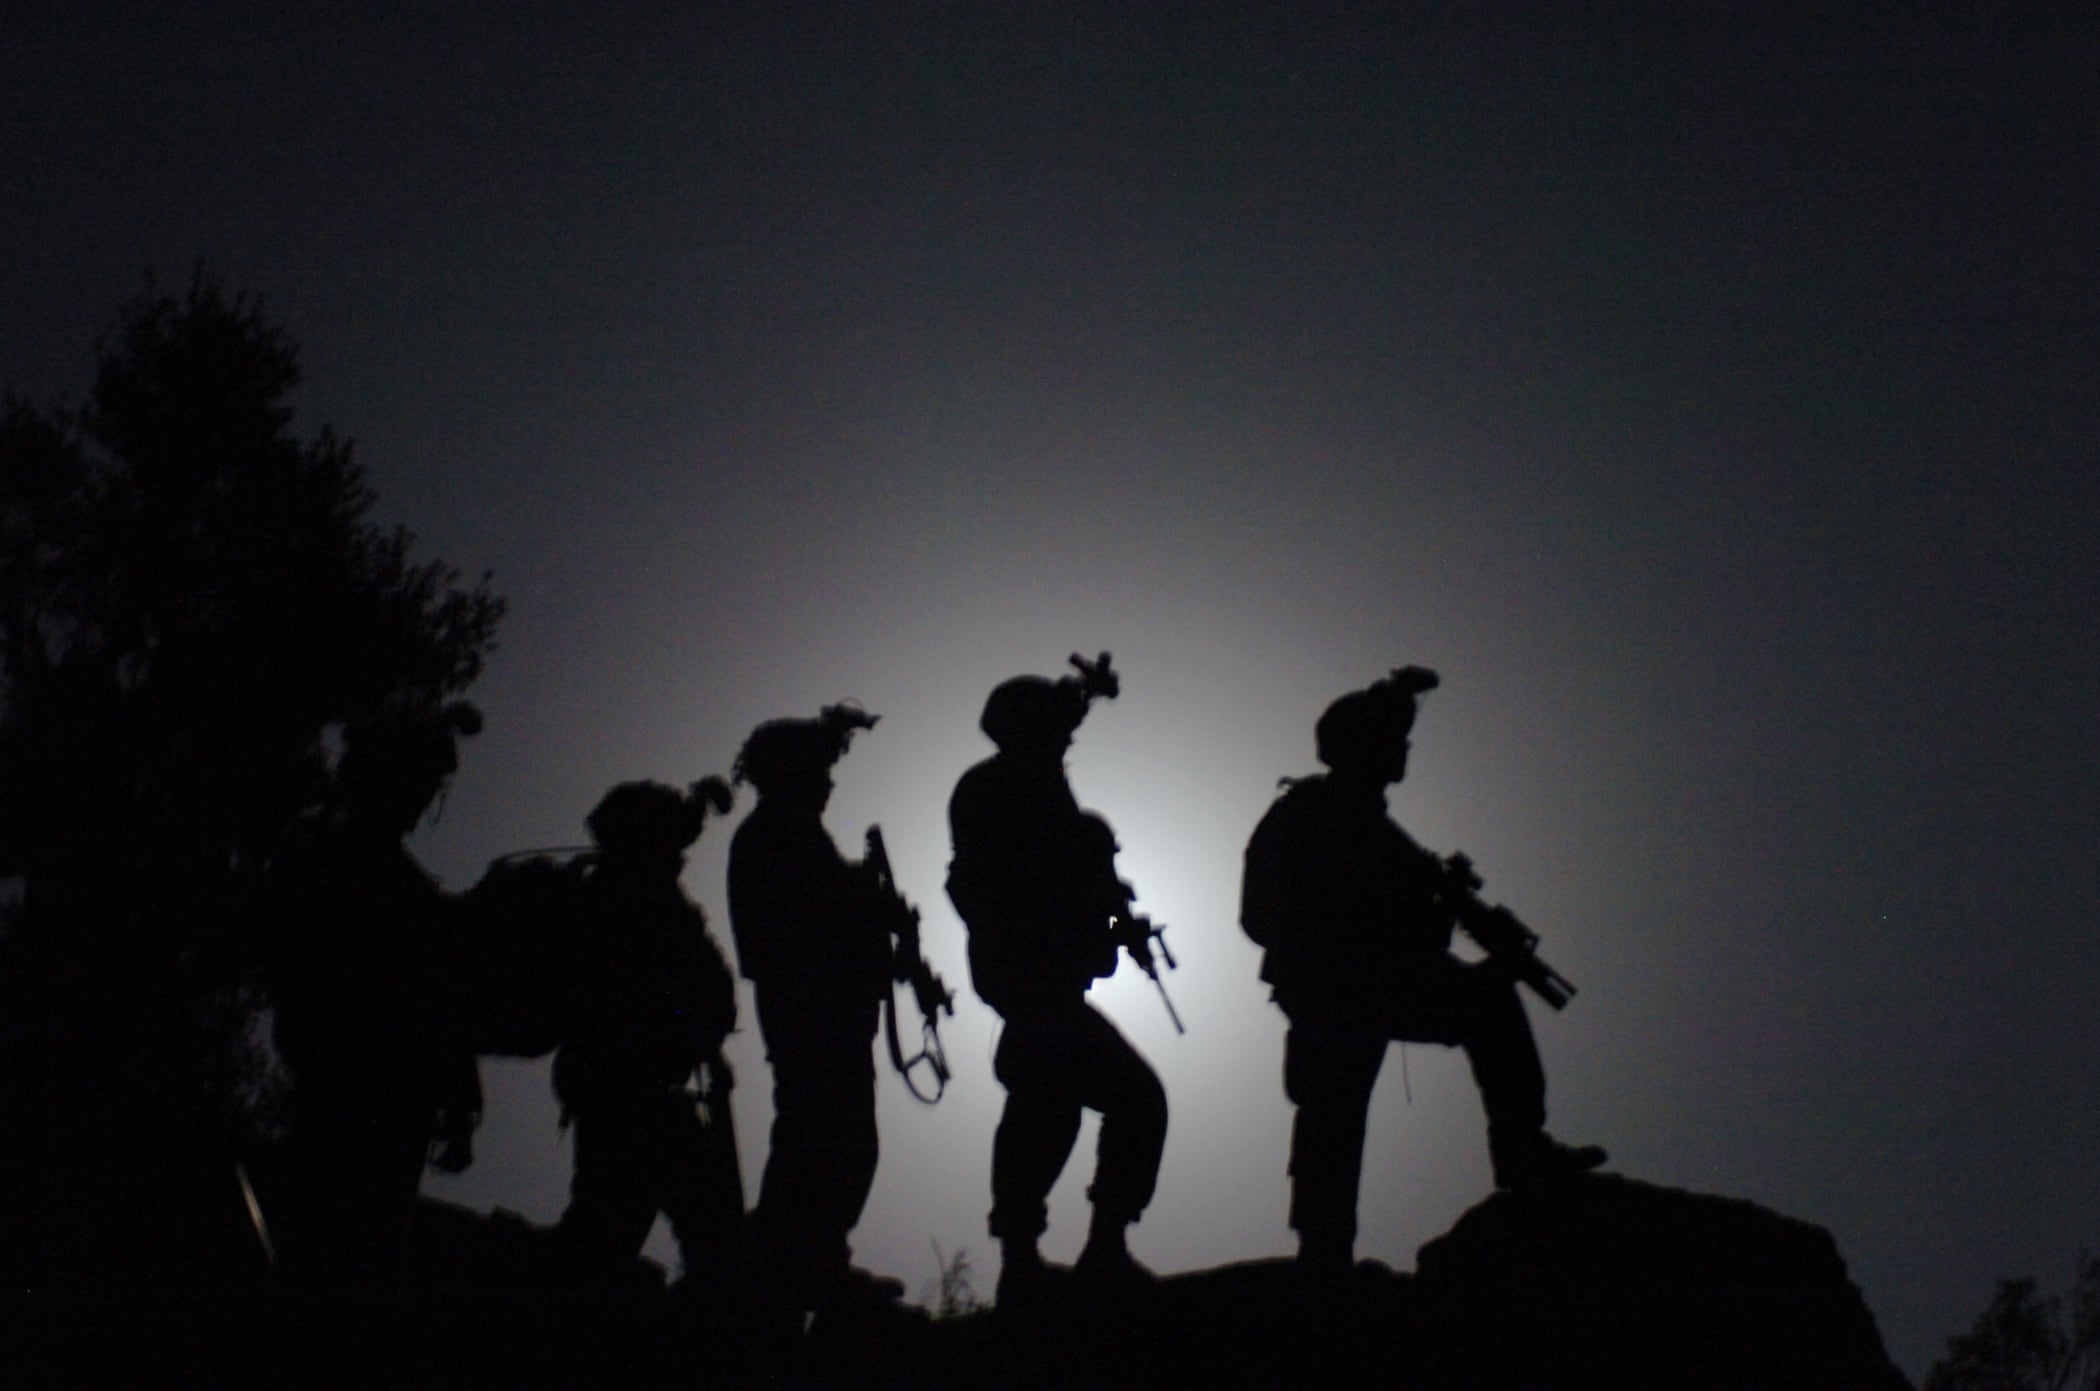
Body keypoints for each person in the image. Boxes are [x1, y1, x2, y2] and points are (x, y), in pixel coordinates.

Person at [1240, 666, 1606, 1274]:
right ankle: (1322, 1255)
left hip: (1375, 984)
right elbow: (1259, 914)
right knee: (1333, 1118)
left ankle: (1522, 1152)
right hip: (1332, 989)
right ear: (1360, 745)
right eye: (1390, 738)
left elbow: (1419, 937)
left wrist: (1439, 906)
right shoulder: (1308, 811)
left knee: (1488, 997)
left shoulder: (1393, 842)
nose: (1403, 749)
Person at [946, 653, 1167, 1305]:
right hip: (1029, 977)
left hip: (1043, 977)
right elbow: (1011, 883)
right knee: (1125, 1099)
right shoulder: (1003, 787)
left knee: (1049, 1107)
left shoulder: (1030, 783)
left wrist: (1105, 917)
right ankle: (1081, 1251)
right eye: (1053, 728)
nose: (1067, 739)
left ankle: (1041, 1256)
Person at [268, 701, 486, 1285]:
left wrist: (459, 1102)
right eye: (422, 783)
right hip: (355, 1091)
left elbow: (446, 1001)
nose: (424, 800)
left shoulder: (387, 880)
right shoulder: (340, 867)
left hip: (388, 1099)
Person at [726, 703, 909, 1314]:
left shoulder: (790, 835)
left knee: (834, 1137)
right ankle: (783, 1272)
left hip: (828, 1014)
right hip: (813, 1016)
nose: (830, 781)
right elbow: (788, 931)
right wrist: (862, 904)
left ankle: (808, 1262)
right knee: (825, 1136)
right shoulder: (777, 836)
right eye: (821, 768)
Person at [551, 777, 741, 1290]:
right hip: (628, 1087)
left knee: (622, 1229)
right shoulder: (629, 898)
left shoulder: (643, 896)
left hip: (642, 1085)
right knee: (618, 1232)